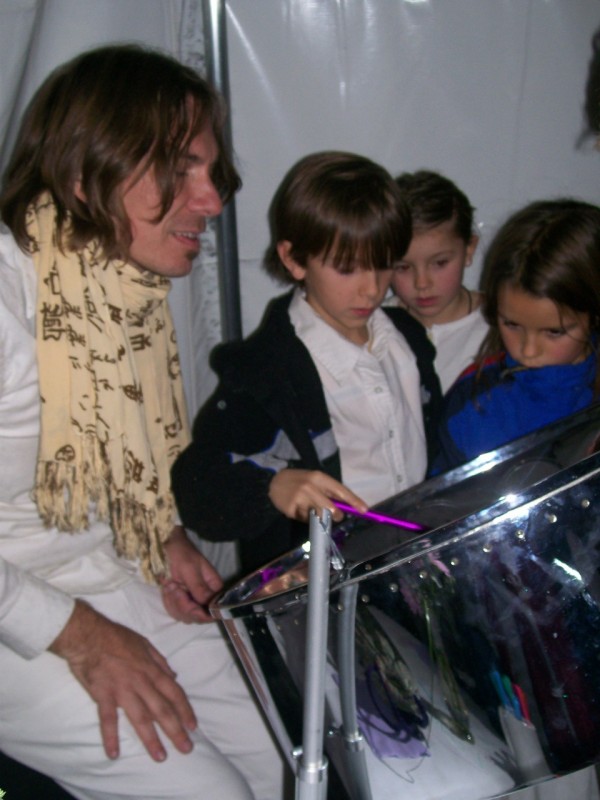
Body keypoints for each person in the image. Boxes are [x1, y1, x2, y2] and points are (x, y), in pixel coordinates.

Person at [0, 44, 286, 800]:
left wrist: (161, 534)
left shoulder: (120, 294)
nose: (214, 200)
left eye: (211, 170)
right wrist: (85, 639)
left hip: (100, 570)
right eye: (181, 168)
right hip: (19, 608)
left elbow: (107, 458)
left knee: (287, 761)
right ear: (82, 172)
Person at [171, 151, 443, 575]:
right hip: (321, 588)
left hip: (412, 562)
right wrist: (272, 487)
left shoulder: (407, 338)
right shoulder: (264, 371)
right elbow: (197, 487)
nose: (371, 289)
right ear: (294, 259)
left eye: (384, 264)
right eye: (347, 268)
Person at [433, 198, 600, 474]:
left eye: (554, 331)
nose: (529, 350)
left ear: (594, 315)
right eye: (511, 324)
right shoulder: (472, 405)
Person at [387, 170, 487, 393]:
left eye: (440, 263)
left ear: (469, 249)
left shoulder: (500, 326)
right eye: (402, 267)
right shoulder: (374, 325)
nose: (422, 283)